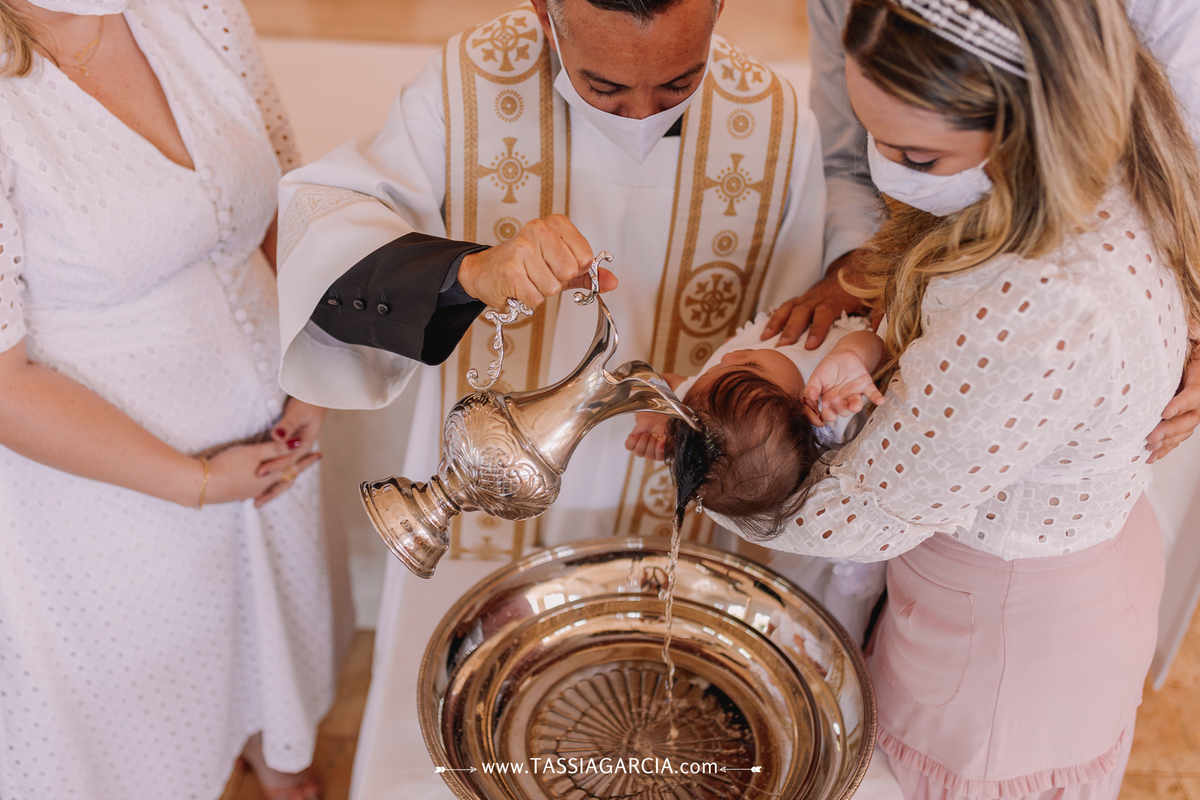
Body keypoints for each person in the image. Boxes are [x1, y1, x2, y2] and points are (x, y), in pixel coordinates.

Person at [709, 1, 1200, 799]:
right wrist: (867, 342)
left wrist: (708, 452)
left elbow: (857, 514)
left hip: (995, 654)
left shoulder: (1041, 304)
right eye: (875, 137)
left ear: (1028, 119)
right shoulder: (1113, 160)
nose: (886, 170)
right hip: (1085, 567)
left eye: (915, 156)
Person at [0, 2, 342, 798]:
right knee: (152, 739)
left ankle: (281, 768)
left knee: (278, 672)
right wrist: (194, 482)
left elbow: (284, 194)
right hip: (109, 502)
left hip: (278, 445)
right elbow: (3, 382)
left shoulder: (197, 8)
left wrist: (313, 368)